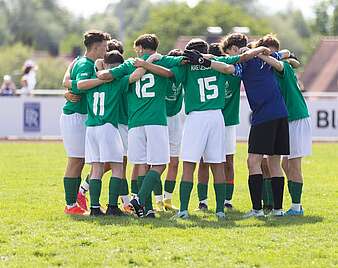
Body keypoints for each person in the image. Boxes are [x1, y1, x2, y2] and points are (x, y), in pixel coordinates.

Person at [196, 34, 291, 218]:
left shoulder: (244, 64)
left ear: (234, 49)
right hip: (280, 113)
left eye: (229, 52)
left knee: (253, 161)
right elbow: (284, 54)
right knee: (274, 162)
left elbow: (227, 67)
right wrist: (261, 52)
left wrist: (205, 61)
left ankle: (257, 210)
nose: (230, 55)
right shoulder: (264, 58)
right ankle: (278, 210)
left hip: (264, 116)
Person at [97, 34, 183, 218]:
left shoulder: (129, 64)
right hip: (156, 119)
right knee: (159, 164)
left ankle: (148, 210)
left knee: (142, 164)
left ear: (141, 48)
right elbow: (179, 64)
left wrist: (99, 68)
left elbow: (106, 75)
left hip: (135, 121)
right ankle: (140, 200)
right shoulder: (162, 60)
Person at [77, 50, 151, 216]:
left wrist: (100, 66)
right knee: (118, 167)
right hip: (108, 127)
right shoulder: (117, 82)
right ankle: (112, 207)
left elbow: (81, 83)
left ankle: (94, 208)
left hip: (91, 128)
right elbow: (137, 75)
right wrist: (148, 61)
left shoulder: (92, 82)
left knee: (96, 168)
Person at [256, 38, 311, 216]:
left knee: (292, 164)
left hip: (296, 118)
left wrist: (259, 54)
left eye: (269, 52)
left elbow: (284, 59)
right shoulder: (273, 68)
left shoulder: (282, 66)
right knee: (280, 164)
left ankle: (296, 207)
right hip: (284, 118)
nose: (267, 55)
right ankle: (275, 204)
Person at [60, 30, 111, 215]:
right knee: (76, 161)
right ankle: (70, 204)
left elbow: (71, 83)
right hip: (75, 115)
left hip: (81, 116)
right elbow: (80, 85)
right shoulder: (85, 64)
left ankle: (75, 202)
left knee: (81, 161)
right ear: (96, 47)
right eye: (105, 47)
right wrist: (101, 80)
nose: (106, 51)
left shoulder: (86, 62)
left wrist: (68, 85)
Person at [153, 49, 184, 212]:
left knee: (174, 162)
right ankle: (157, 200)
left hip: (175, 119)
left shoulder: (182, 72)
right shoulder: (160, 71)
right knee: (157, 161)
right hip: (159, 118)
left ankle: (167, 199)